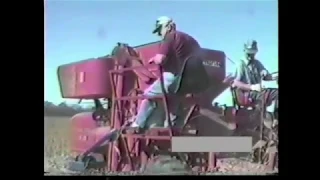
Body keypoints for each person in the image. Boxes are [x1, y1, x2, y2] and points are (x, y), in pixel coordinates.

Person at [130, 16, 203, 128]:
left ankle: (137, 124)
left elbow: (161, 59)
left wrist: (154, 59)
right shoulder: (191, 40)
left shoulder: (170, 37)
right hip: (193, 80)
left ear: (169, 26)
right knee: (175, 97)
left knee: (148, 95)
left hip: (174, 77)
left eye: (160, 30)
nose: (160, 34)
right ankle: (171, 124)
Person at [232, 39, 278, 128]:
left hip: (258, 93)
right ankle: (261, 120)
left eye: (252, 53)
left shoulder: (257, 63)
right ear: (244, 50)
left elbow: (267, 76)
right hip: (247, 94)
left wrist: (272, 76)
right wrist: (252, 87)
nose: (250, 56)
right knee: (273, 94)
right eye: (248, 53)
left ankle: (274, 120)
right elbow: (235, 82)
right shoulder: (240, 64)